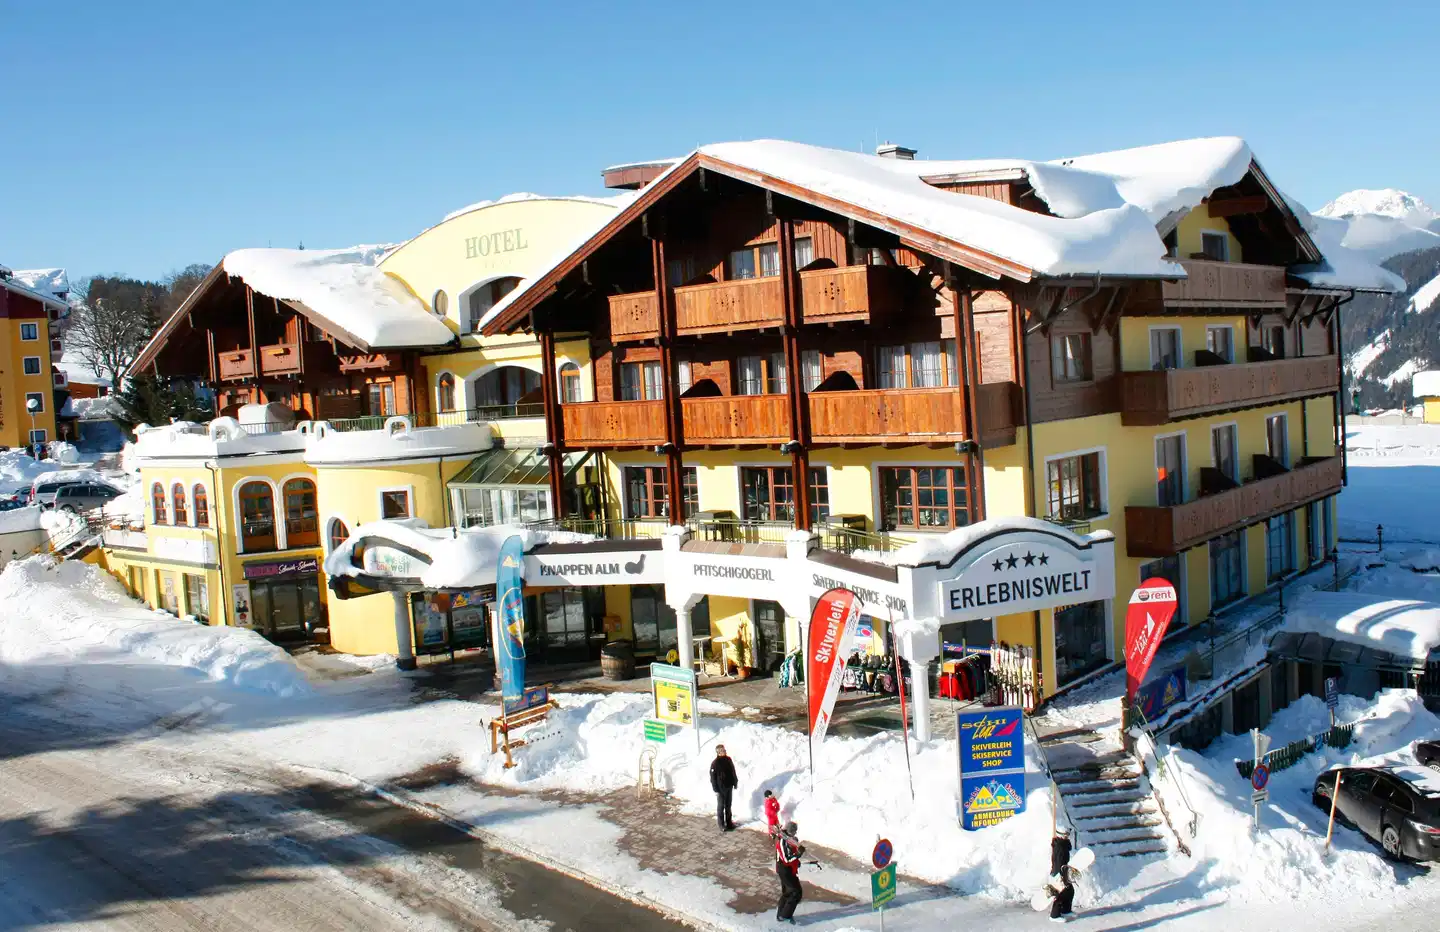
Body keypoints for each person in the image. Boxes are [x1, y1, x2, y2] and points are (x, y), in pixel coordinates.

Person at [774, 821, 805, 924]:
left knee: (788, 892)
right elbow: (786, 859)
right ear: (790, 831)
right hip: (784, 869)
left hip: (789, 869)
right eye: (794, 832)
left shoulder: (789, 839)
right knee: (795, 892)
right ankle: (784, 916)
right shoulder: (782, 841)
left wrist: (796, 861)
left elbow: (791, 852)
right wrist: (798, 855)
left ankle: (782, 914)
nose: (795, 834)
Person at [709, 745, 738, 832]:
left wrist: (735, 781)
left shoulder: (728, 759)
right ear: (718, 752)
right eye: (722, 750)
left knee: (728, 806)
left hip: (729, 786)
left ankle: (729, 823)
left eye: (724, 750)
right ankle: (721, 824)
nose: (724, 751)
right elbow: (712, 778)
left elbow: (733, 771)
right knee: (721, 807)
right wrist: (715, 789)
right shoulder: (715, 763)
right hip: (720, 789)